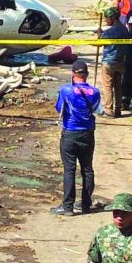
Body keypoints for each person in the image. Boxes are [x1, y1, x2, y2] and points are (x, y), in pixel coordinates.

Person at [51, 60, 101, 216]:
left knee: (69, 170)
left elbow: (59, 108)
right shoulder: (95, 92)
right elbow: (96, 110)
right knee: (87, 169)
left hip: (70, 132)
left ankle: (67, 207)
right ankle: (86, 204)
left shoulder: (66, 90)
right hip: (87, 133)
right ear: (86, 74)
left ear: (73, 74)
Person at [98, 7, 129, 117]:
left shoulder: (109, 32)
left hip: (108, 62)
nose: (106, 21)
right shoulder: (124, 30)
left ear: (112, 18)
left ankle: (108, 110)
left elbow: (97, 43)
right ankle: (118, 110)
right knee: (118, 86)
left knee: (108, 87)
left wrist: (98, 35)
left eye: (107, 18)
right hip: (120, 62)